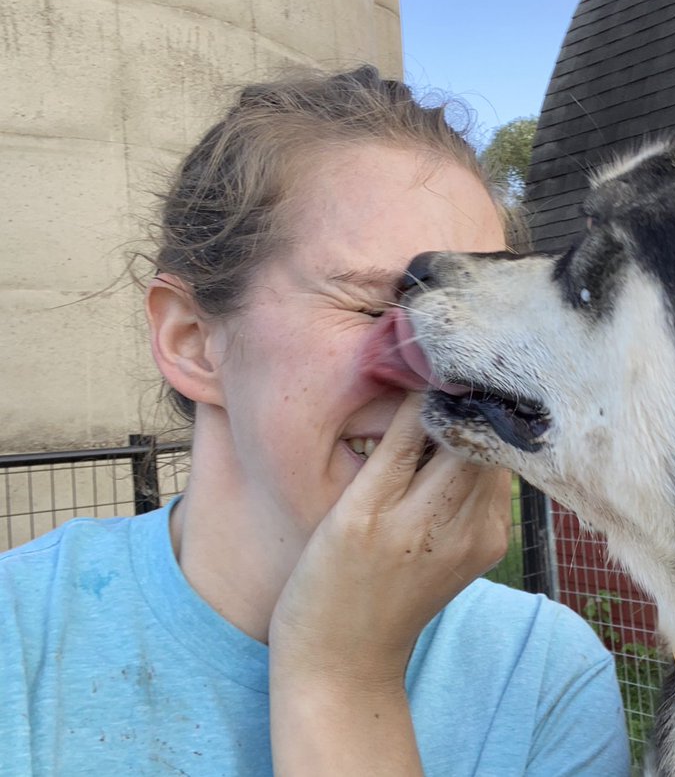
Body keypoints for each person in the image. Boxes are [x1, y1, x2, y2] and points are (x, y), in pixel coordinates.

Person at [0, 66, 631, 775]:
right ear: (191, 340)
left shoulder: (543, 679)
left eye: (487, 327)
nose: (456, 374)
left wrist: (341, 679)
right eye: (371, 306)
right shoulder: (18, 640)